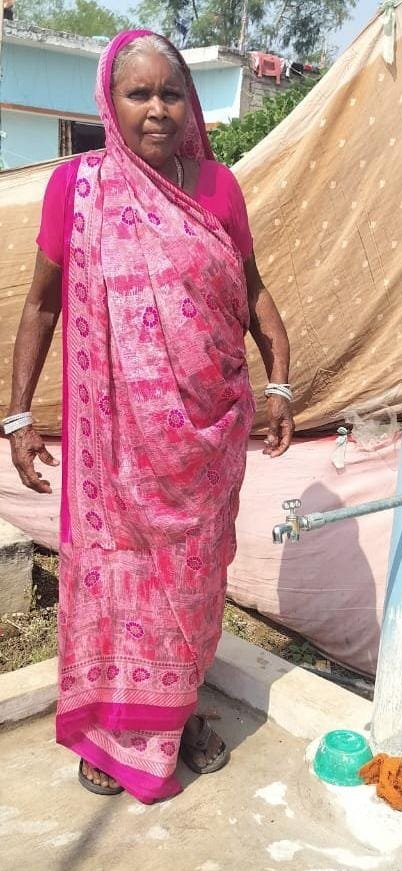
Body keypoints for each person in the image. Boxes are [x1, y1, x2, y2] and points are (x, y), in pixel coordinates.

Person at [4, 29, 293, 803]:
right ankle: (109, 729)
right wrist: (17, 417)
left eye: (171, 93)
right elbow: (41, 306)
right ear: (110, 102)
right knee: (117, 583)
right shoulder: (77, 189)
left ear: (189, 103)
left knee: (191, 587)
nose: (158, 109)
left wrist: (281, 383)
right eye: (139, 93)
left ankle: (182, 711)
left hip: (205, 442)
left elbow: (252, 290)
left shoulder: (219, 188)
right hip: (114, 451)